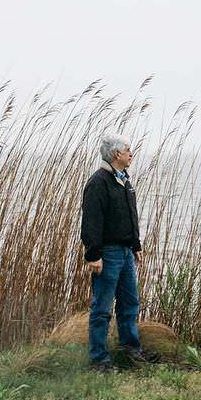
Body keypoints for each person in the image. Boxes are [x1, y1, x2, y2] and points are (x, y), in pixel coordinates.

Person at [80, 134, 158, 371]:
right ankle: (99, 360)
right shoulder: (98, 182)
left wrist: (136, 245)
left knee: (129, 303)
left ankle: (131, 351)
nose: (131, 154)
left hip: (125, 253)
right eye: (127, 150)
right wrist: (93, 255)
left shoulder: (124, 181)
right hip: (108, 254)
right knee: (102, 308)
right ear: (116, 154)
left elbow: (130, 216)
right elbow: (91, 221)